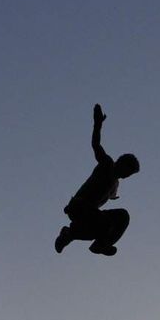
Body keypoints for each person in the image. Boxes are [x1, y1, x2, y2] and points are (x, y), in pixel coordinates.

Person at [55, 104, 140, 257]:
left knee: (121, 217)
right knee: (105, 223)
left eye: (129, 175)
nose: (126, 176)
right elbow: (96, 145)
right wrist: (98, 124)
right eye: (127, 171)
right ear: (121, 163)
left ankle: (72, 235)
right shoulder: (107, 163)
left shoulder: (115, 184)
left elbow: (111, 196)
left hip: (90, 216)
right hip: (79, 207)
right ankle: (74, 234)